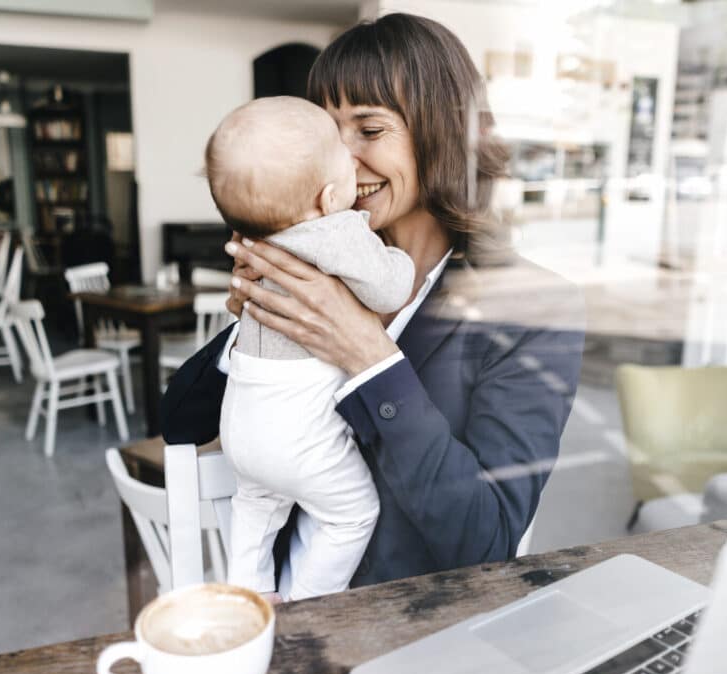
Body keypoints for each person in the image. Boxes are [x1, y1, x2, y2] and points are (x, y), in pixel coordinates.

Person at [162, 12, 585, 593]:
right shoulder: (314, 264)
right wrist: (252, 324)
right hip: (283, 615)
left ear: (442, 132)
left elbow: (485, 542)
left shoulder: (533, 308)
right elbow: (180, 422)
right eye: (328, 135)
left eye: (370, 130)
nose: (342, 161)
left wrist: (369, 356)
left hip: (400, 632)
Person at [204, 96, 415, 600]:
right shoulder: (335, 232)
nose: (353, 158)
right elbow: (387, 288)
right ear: (326, 197)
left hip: (240, 426)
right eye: (341, 150)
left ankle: (249, 600)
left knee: (255, 508)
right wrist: (397, 259)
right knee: (351, 513)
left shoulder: (254, 242)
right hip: (297, 433)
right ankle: (306, 607)